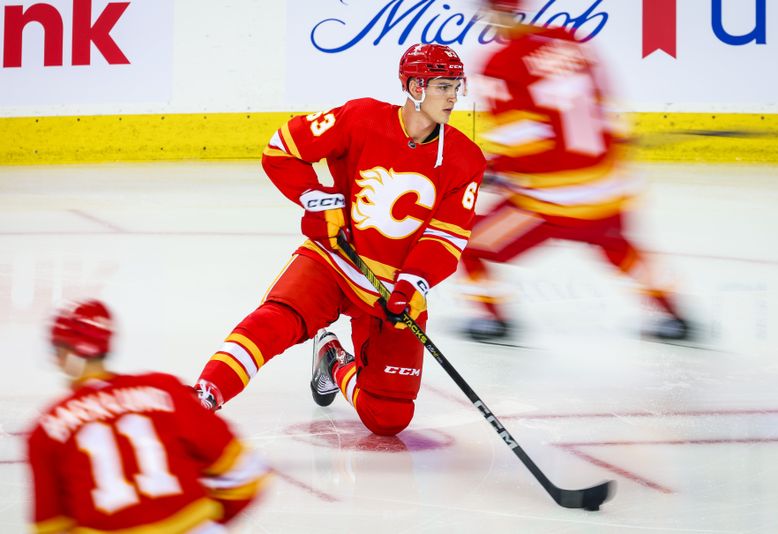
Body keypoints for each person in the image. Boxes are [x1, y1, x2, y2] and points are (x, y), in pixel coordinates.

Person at [193, 43, 486, 436]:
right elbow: (281, 149)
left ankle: (333, 360)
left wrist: (413, 281)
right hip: (335, 259)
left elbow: (447, 238)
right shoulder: (360, 118)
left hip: (393, 290)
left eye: (456, 86)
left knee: (388, 418)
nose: (454, 97)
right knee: (275, 321)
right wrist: (317, 199)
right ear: (416, 87)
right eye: (443, 87)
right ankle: (202, 396)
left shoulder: (465, 159)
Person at [459, 0, 692, 343]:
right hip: (608, 189)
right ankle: (674, 314)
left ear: (496, 13)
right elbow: (608, 108)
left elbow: (518, 141)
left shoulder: (500, 62)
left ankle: (491, 318)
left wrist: (492, 170)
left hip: (548, 204)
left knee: (466, 243)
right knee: (618, 248)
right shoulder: (570, 40)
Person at [27, 300, 270, 533]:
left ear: (69, 354)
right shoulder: (164, 390)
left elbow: (50, 527)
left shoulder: (47, 429)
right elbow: (246, 471)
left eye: (57, 349)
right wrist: (208, 523)